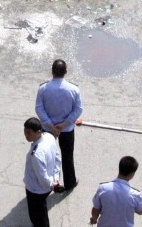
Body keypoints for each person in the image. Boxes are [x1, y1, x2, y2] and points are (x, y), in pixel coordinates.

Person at [35, 59, 82, 193]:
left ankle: (49, 183)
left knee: (47, 156)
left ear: (52, 71)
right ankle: (69, 182)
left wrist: (51, 125)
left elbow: (39, 108)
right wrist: (64, 124)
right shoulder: (74, 89)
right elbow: (78, 109)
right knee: (67, 156)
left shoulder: (43, 88)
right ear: (66, 72)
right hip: (67, 130)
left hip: (47, 129)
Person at [23, 116, 61, 227]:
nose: (26, 135)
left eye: (29, 133)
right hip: (47, 185)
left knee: (37, 216)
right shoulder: (49, 137)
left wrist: (51, 184)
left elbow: (42, 176)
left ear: (39, 132)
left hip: (36, 189)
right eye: (25, 132)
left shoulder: (37, 154)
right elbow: (57, 158)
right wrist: (55, 178)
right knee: (41, 212)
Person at [89, 156, 142, 226]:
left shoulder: (103, 188)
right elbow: (140, 211)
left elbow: (96, 209)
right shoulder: (136, 194)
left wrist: (94, 219)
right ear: (132, 174)